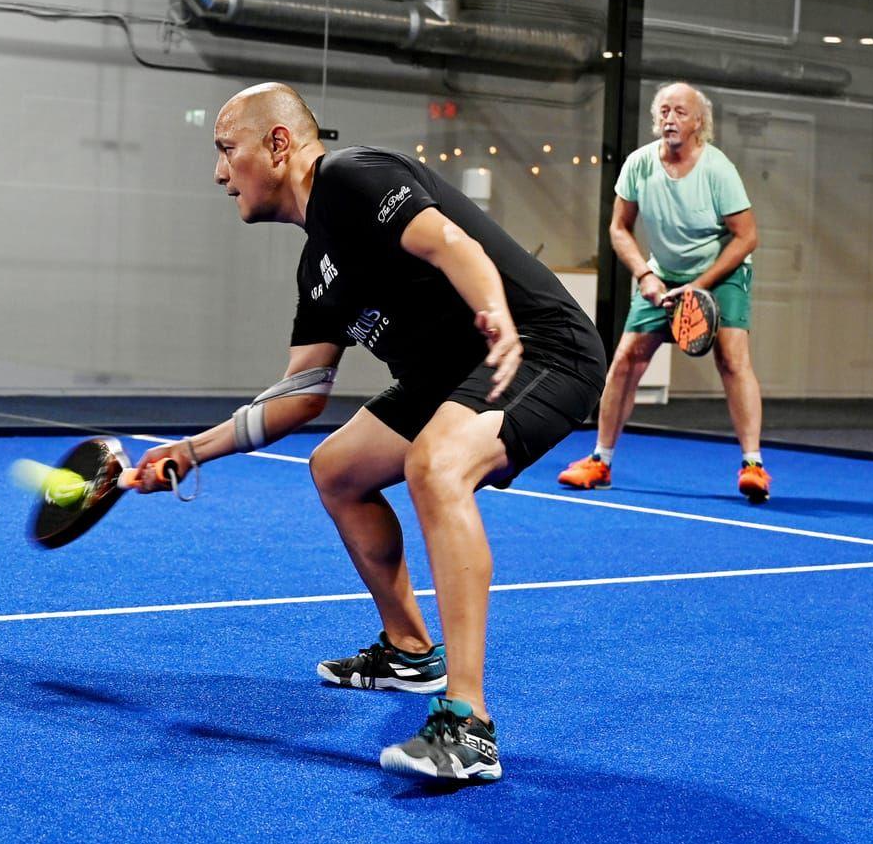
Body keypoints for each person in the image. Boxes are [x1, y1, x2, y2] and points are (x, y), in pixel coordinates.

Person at [130, 82, 606, 782]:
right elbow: (299, 396)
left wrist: (495, 314)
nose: (219, 172)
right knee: (335, 470)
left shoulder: (352, 178)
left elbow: (449, 240)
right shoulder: (316, 269)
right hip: (442, 377)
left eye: (227, 149)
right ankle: (410, 650)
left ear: (279, 143)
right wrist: (191, 451)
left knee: (436, 467)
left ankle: (467, 725)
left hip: (535, 345)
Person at [558, 82, 770, 502]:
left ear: (698, 123)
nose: (670, 119)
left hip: (720, 273)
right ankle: (600, 461)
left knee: (732, 359)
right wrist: (645, 276)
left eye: (679, 112)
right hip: (662, 276)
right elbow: (619, 228)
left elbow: (746, 237)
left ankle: (753, 466)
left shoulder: (717, 168)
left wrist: (699, 285)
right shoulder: (638, 165)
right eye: (664, 111)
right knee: (626, 360)